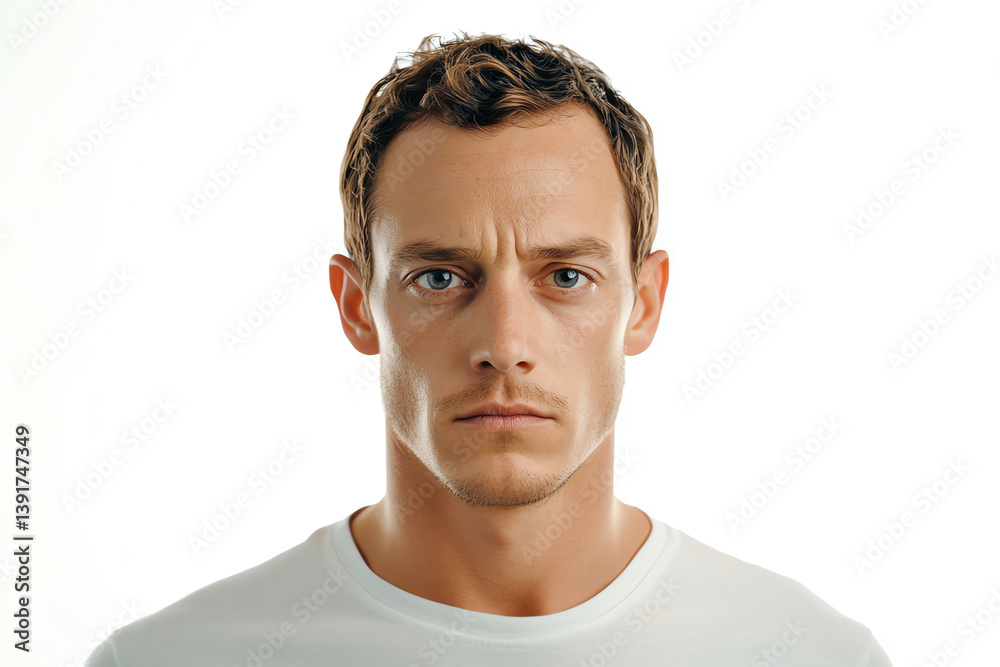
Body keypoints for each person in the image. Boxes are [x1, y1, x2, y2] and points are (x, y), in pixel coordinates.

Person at [86, 32, 893, 666]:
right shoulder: (167, 659)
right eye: (440, 277)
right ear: (355, 306)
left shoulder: (815, 655)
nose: (505, 344)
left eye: (566, 275)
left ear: (644, 304)